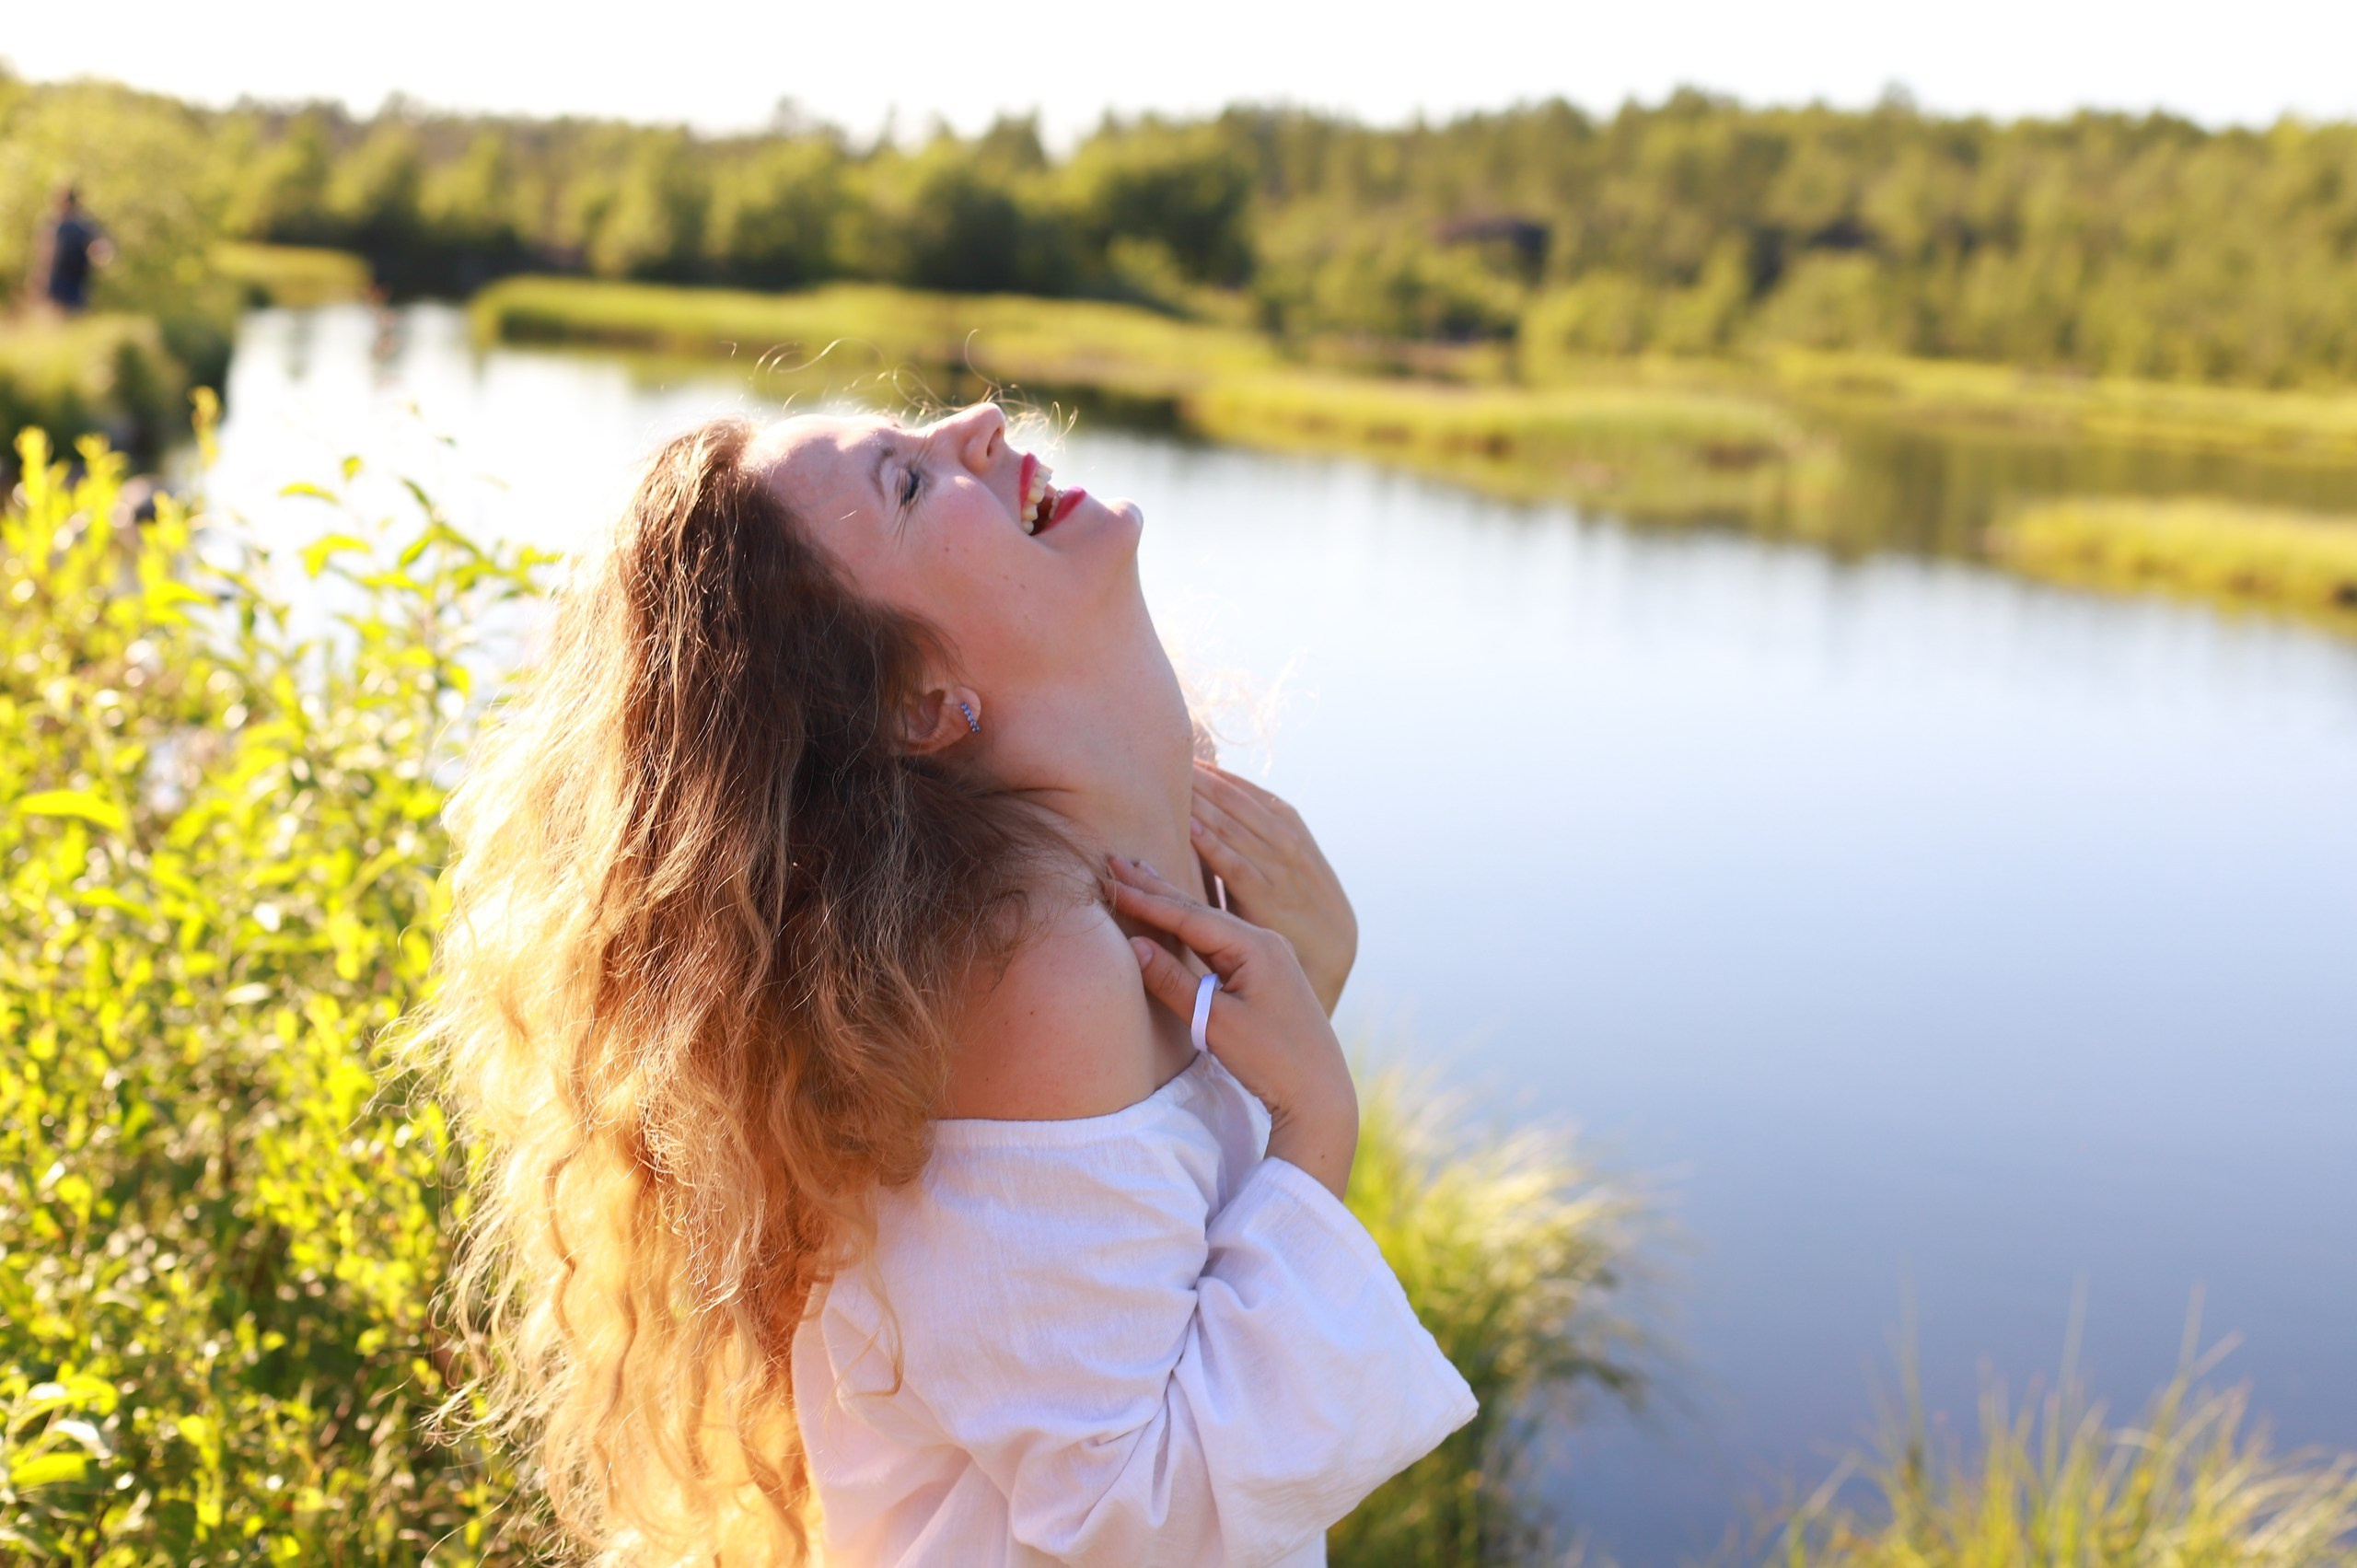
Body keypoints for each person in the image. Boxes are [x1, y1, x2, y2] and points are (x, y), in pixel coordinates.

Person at [421, 404, 1474, 1565]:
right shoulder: (1038, 970)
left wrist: (1298, 995)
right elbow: (1140, 1520)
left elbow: (1152, 1276)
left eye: (917, 441)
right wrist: (1312, 1120)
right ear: (922, 699)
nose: (975, 421)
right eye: (909, 486)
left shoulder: (1117, 893)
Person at [31, 186, 111, 315]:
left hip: (69, 282)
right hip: (66, 283)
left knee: (66, 323)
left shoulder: (56, 225)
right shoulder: (84, 225)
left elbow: (44, 255)